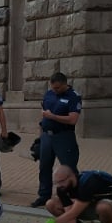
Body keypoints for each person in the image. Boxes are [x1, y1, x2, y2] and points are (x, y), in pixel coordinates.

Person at [32, 72, 82, 207]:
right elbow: (43, 117)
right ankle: (44, 195)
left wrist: (53, 116)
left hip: (64, 136)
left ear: (65, 84)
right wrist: (40, 137)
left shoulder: (73, 97)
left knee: (69, 168)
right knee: (44, 167)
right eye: (53, 88)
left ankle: (74, 197)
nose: (55, 90)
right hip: (47, 136)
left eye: (58, 88)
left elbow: (73, 119)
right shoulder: (49, 94)